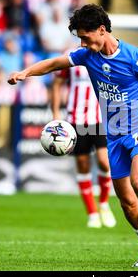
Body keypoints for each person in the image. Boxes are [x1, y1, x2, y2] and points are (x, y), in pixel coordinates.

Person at [8, 4, 138, 268]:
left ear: (102, 30)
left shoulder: (134, 57)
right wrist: (25, 73)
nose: (82, 42)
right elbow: (53, 63)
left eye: (85, 37)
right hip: (114, 135)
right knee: (127, 203)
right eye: (80, 38)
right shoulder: (87, 55)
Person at [52, 60, 117, 229]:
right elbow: (57, 83)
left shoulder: (104, 58)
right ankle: (92, 213)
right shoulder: (71, 58)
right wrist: (55, 113)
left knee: (104, 161)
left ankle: (103, 204)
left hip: (100, 119)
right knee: (82, 164)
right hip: (76, 120)